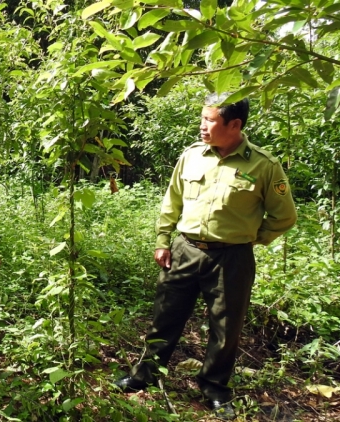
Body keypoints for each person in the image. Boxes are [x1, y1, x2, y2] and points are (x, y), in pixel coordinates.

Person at [113, 93, 298, 420]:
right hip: (184, 250)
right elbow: (172, 201)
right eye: (202, 119)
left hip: (232, 260)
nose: (202, 126)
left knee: (226, 328)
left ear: (234, 124)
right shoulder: (192, 156)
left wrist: (251, 238)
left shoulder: (263, 165)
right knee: (165, 316)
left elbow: (284, 216)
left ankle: (214, 388)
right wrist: (162, 240)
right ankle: (145, 375)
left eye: (209, 121)